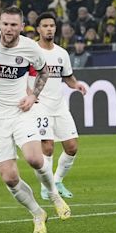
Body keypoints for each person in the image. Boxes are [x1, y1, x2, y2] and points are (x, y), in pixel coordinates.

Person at [0, 6, 71, 233]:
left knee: (34, 158)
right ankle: (37, 213)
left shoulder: (30, 48)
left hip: (20, 112)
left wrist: (33, 96)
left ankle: (53, 193)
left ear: (22, 27)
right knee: (9, 177)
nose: (8, 29)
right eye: (5, 24)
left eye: (13, 25)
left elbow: (43, 72)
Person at [29, 12, 87, 201]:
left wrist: (76, 85)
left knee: (72, 147)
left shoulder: (62, 53)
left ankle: (58, 180)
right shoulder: (31, 51)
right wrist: (28, 94)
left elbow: (68, 77)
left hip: (59, 105)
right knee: (48, 146)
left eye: (52, 26)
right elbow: (20, 76)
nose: (49, 29)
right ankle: (46, 187)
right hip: (39, 105)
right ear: (38, 29)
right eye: (45, 26)